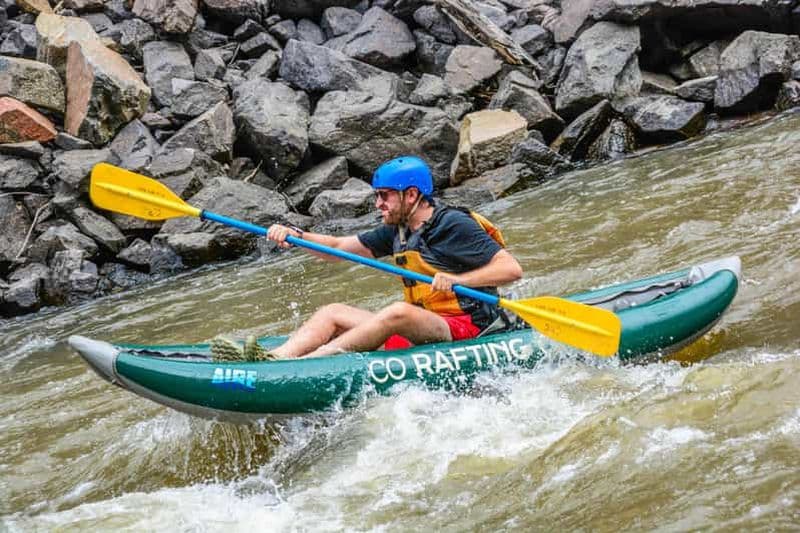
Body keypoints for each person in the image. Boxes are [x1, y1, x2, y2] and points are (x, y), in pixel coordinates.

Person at [264, 155, 523, 358]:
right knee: (333, 312)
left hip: (468, 327)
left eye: (384, 195)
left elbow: (511, 269)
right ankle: (275, 359)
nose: (378, 204)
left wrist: (459, 280)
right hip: (423, 325)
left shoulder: (453, 224)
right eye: (377, 195)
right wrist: (295, 235)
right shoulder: (398, 231)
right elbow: (338, 248)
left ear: (411, 195)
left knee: (398, 311)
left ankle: (316, 361)